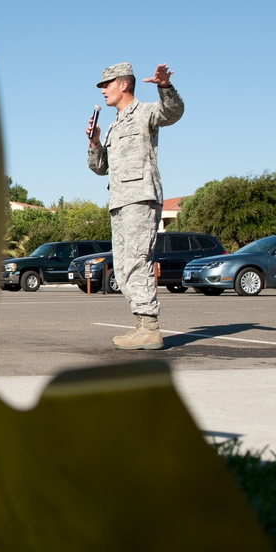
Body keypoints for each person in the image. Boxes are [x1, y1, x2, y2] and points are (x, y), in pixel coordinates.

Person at [87, 62, 183, 351]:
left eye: (107, 84)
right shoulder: (114, 125)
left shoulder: (145, 112)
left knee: (138, 261)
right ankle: (142, 325)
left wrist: (164, 86)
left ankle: (150, 328)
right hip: (119, 201)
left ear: (124, 84)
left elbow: (172, 113)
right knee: (126, 265)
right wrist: (94, 144)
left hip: (140, 198)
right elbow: (100, 168)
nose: (103, 89)